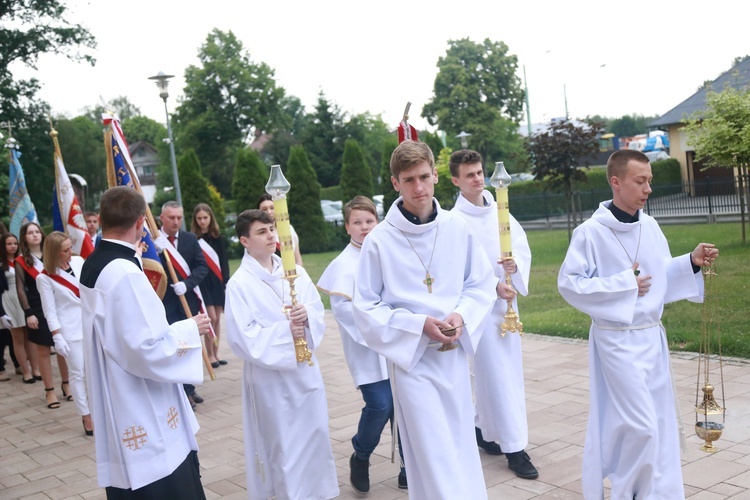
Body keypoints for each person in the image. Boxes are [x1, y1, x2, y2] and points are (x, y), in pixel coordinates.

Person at [557, 149, 719, 499]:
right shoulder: (590, 233)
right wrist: (623, 285)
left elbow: (659, 274)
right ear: (616, 182)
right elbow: (570, 284)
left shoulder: (650, 225)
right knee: (641, 426)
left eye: (649, 181)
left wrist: (690, 261)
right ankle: (628, 492)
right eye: (640, 181)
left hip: (651, 340)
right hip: (616, 341)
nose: (648, 189)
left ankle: (655, 493)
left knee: (656, 425)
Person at [352, 140, 496, 499]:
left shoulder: (456, 228)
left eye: (423, 177)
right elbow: (366, 308)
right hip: (414, 363)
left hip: (454, 360)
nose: (418, 188)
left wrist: (461, 316)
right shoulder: (380, 241)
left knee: (460, 448)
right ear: (394, 183)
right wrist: (418, 325)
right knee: (433, 455)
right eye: (408, 179)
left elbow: (480, 283)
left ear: (434, 175)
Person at [80, 186, 211, 498]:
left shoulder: (93, 263)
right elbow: (146, 349)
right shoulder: (125, 273)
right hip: (139, 399)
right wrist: (191, 328)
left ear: (100, 219)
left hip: (115, 388)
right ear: (141, 223)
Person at [225, 209, 339, 500]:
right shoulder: (239, 284)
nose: (271, 236)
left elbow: (316, 311)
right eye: (261, 232)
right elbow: (242, 338)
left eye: (271, 230)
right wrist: (286, 331)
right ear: (244, 241)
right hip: (271, 381)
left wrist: (307, 318)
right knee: (284, 445)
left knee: (315, 436)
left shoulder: (296, 272)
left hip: (305, 372)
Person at [449, 149, 539, 480]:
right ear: (455, 180)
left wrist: (516, 266)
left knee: (499, 374)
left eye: (480, 172)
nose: (477, 179)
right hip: (481, 311)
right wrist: (491, 286)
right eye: (469, 174)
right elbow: (456, 267)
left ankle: (484, 431)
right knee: (500, 376)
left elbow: (521, 245)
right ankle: (515, 449)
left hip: (508, 307)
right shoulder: (454, 221)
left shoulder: (499, 209)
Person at [317, 196, 407, 493]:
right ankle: (361, 455)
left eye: (369, 221)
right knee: (380, 404)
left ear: (377, 221)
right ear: (347, 227)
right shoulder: (342, 265)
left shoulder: (388, 252)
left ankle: (409, 466)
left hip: (399, 343)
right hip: (368, 349)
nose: (364, 227)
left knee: (405, 406)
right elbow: (344, 311)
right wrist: (379, 327)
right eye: (357, 222)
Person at [153, 201, 209, 409]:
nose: (176, 222)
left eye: (179, 217)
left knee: (191, 344)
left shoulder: (189, 239)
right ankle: (181, 391)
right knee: (175, 347)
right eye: (171, 218)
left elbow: (202, 267)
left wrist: (187, 284)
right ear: (162, 218)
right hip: (165, 304)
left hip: (187, 300)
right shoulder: (153, 241)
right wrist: (154, 251)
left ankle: (189, 388)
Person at [37, 231, 93, 435]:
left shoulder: (79, 262)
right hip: (70, 330)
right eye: (66, 250)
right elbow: (49, 310)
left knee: (95, 372)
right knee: (77, 373)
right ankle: (86, 417)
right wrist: (57, 335)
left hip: (91, 324)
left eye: (71, 247)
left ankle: (99, 411)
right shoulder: (44, 278)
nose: (71, 252)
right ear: (54, 252)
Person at [16, 222, 69, 409]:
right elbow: (21, 290)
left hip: (57, 304)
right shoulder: (22, 261)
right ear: (24, 237)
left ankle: (66, 383)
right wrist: (28, 313)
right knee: (44, 350)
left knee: (62, 347)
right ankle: (49, 390)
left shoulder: (52, 254)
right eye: (30, 233)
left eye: (37, 231)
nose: (35, 235)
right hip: (37, 308)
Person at [191, 203, 230, 368]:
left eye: (205, 218)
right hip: (203, 283)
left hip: (217, 281)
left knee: (217, 320)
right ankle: (209, 354)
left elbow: (223, 261)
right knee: (210, 318)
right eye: (199, 218)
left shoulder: (218, 238)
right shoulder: (193, 239)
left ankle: (216, 352)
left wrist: (226, 280)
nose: (202, 221)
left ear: (210, 218)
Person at [1, 232, 38, 383]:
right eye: (9, 244)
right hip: (9, 300)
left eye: (15, 243)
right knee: (17, 338)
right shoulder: (1, 263)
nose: (12, 246)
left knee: (30, 336)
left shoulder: (23, 260)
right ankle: (26, 371)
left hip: (24, 300)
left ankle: (35, 369)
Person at [257, 193, 303, 266]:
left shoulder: (289, 228)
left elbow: (298, 259)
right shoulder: (257, 234)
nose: (269, 212)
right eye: (264, 209)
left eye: (272, 208)